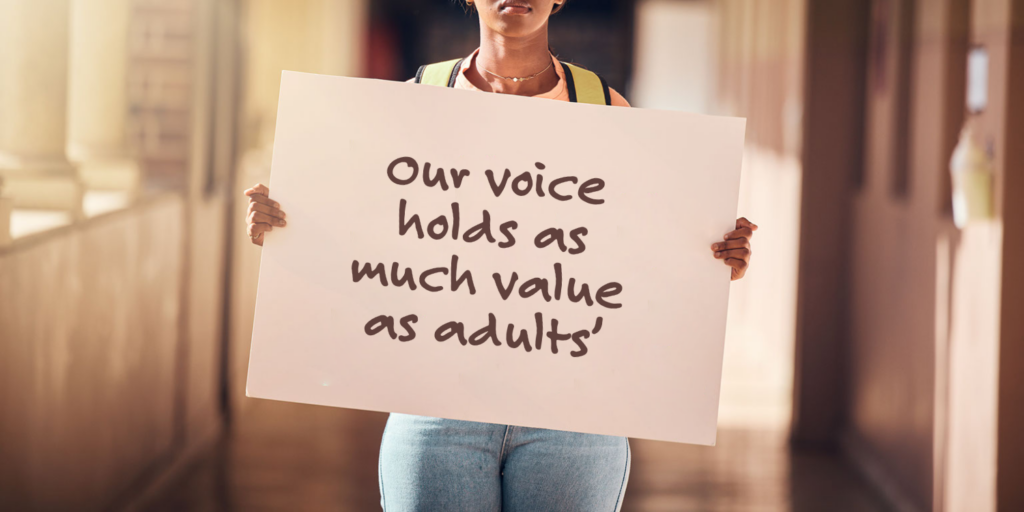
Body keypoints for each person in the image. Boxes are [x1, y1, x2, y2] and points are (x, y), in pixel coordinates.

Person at [243, 0, 758, 510]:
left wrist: (707, 258)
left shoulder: (603, 105)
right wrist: (291, 230)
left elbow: (641, 245)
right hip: (435, 408)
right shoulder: (418, 98)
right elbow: (364, 233)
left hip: (575, 417)